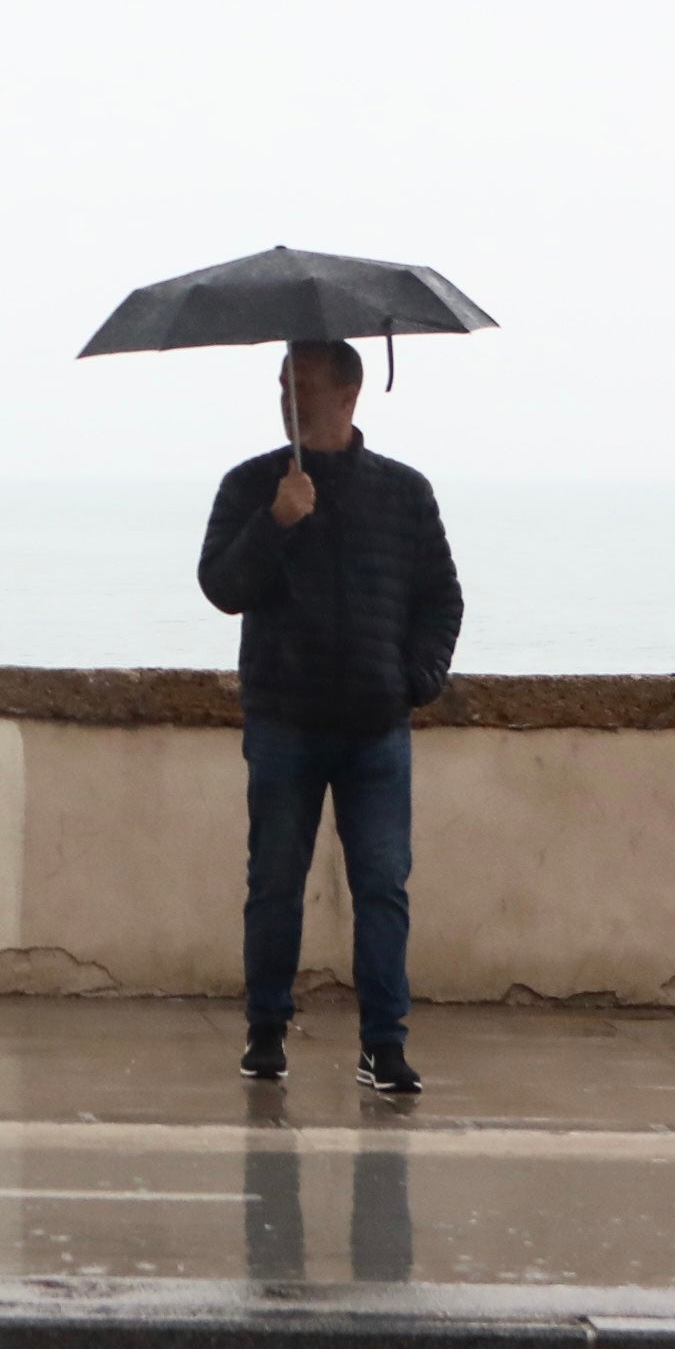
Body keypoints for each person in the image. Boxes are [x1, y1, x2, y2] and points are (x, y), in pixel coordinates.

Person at [196, 336, 463, 1096]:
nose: (288, 396)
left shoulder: (404, 492)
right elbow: (221, 585)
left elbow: (441, 599)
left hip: (376, 727)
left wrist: (412, 681)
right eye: (282, 382)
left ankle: (384, 1045)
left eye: (303, 384)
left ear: (348, 393)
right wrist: (277, 521)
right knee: (275, 881)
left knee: (383, 883)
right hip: (285, 720)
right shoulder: (253, 485)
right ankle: (266, 1033)